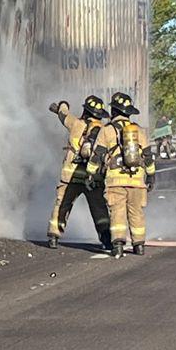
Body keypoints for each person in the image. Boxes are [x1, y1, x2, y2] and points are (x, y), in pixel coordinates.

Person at [47, 95, 116, 251]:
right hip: (93, 177)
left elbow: (63, 114)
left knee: (62, 205)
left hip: (71, 176)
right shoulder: (104, 130)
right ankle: (106, 240)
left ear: (86, 111)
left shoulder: (76, 124)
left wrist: (62, 104)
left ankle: (53, 237)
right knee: (100, 210)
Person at [104, 91, 152, 257]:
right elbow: (148, 157)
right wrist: (151, 176)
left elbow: (97, 155)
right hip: (137, 181)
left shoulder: (107, 130)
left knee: (117, 212)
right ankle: (139, 246)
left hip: (115, 182)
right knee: (136, 213)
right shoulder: (139, 131)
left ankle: (118, 245)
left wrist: (91, 174)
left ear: (114, 111)